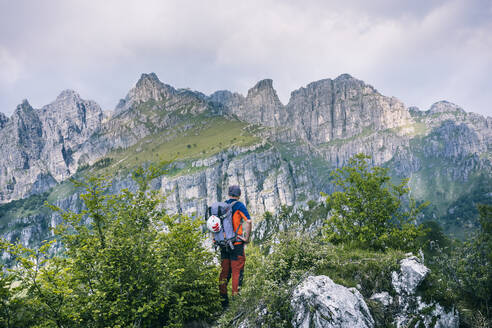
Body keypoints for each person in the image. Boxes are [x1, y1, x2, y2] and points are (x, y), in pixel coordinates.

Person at [219, 185, 252, 308]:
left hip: (224, 244)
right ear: (239, 195)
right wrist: (246, 238)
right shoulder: (239, 205)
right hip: (236, 244)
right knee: (237, 271)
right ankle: (236, 303)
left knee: (224, 273)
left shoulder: (221, 206)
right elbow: (248, 221)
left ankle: (223, 304)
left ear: (228, 194)